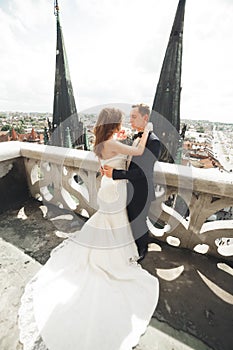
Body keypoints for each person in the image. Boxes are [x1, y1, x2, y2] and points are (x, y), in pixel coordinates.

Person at [18, 107, 159, 350]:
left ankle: (107, 249)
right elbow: (136, 151)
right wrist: (147, 130)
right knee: (114, 221)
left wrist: (121, 134)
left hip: (108, 186)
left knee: (109, 221)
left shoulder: (103, 143)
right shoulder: (114, 143)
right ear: (114, 124)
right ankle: (113, 255)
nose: (128, 122)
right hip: (115, 188)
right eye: (123, 120)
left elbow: (120, 150)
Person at [103, 104, 161, 262]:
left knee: (139, 221)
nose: (130, 120)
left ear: (145, 118)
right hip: (129, 188)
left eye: (134, 117)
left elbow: (143, 172)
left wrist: (116, 174)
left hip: (142, 190)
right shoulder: (137, 137)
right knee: (130, 220)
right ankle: (131, 246)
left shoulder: (153, 141)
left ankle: (142, 250)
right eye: (130, 117)